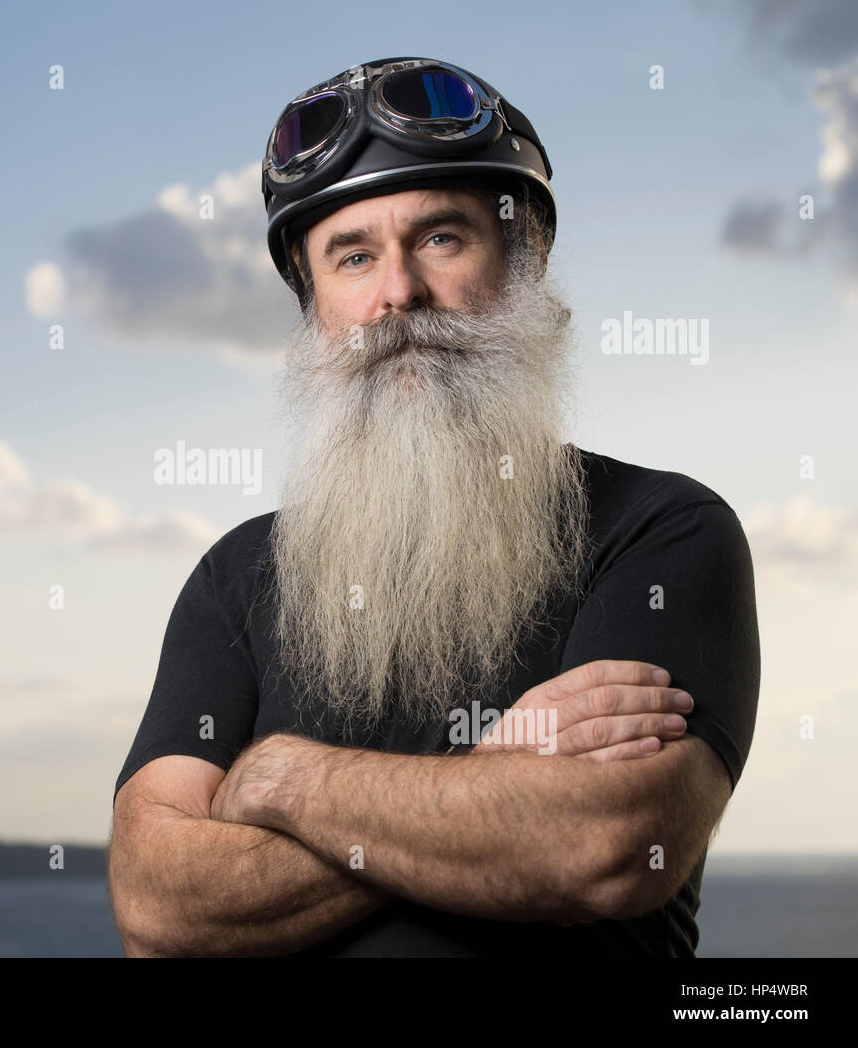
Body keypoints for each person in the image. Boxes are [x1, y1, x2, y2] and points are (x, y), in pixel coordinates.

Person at [107, 57, 760, 957]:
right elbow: (157, 901)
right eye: (354, 256)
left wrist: (277, 778)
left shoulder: (663, 529)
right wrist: (490, 785)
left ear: (526, 266)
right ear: (315, 314)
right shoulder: (236, 576)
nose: (399, 293)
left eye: (443, 238)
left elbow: (602, 845)